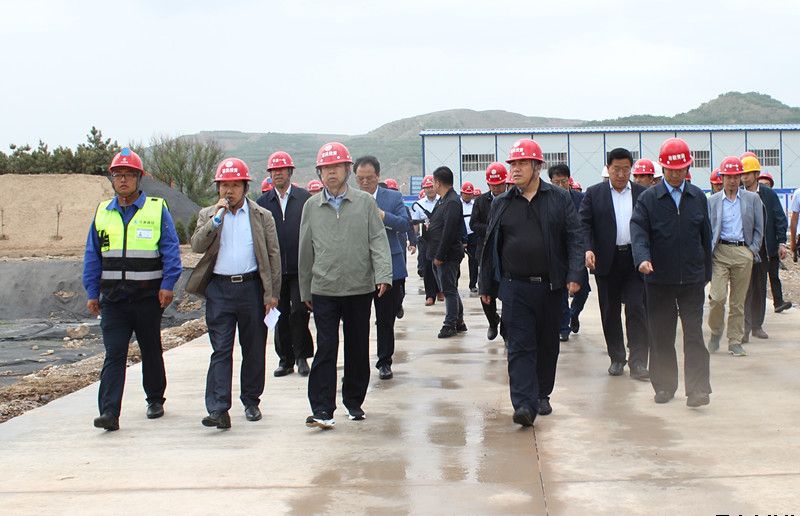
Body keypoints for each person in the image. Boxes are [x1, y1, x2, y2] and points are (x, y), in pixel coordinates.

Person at [480, 139, 583, 425]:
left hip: (550, 286)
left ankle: (542, 394)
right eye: (513, 164)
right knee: (519, 345)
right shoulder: (502, 203)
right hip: (514, 287)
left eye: (522, 163)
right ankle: (524, 403)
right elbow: (490, 244)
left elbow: (575, 237)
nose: (515, 169)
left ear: (537, 167)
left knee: (547, 344)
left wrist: (575, 274)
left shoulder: (559, 199)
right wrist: (486, 284)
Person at [83, 148, 182, 431]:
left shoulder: (156, 209)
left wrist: (167, 285)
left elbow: (171, 251)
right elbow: (92, 255)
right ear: (112, 179)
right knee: (114, 354)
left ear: (139, 178)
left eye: (129, 174)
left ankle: (155, 398)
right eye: (118, 175)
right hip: (114, 300)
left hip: (148, 298)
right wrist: (92, 292)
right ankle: (109, 413)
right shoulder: (103, 212)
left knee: (151, 349)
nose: (123, 180)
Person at [299, 142, 392, 429]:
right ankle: (322, 409)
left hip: (358, 288)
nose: (331, 173)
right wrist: (305, 289)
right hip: (324, 289)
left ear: (347, 170)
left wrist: (383, 274)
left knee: (357, 347)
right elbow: (305, 250)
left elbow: (377, 240)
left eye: (336, 167)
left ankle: (354, 402)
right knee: (326, 347)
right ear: (319, 172)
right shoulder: (311, 206)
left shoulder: (364, 203)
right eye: (325, 168)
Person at [187, 157, 281, 429]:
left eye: (235, 185)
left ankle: (251, 400)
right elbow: (196, 245)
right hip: (220, 289)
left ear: (245, 187)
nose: (229, 191)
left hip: (251, 288)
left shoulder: (262, 216)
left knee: (253, 348)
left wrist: (272, 294)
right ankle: (218, 408)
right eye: (224, 185)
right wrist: (215, 220)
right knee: (221, 349)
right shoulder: (209, 214)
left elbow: (273, 255)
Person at [630, 137, 713, 408]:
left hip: (691, 279)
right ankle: (665, 386)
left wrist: (707, 272)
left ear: (688, 167)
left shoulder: (697, 197)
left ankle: (698, 389)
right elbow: (638, 232)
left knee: (694, 334)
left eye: (681, 170)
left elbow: (705, 237)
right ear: (662, 168)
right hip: (659, 280)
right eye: (671, 170)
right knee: (662, 334)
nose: (676, 175)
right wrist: (642, 258)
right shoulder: (648, 199)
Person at [579, 148, 649, 379]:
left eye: (625, 169)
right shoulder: (594, 193)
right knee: (610, 311)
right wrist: (588, 248)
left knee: (637, 308)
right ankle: (617, 358)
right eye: (616, 169)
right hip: (606, 261)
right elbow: (584, 224)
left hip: (634, 260)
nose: (620, 174)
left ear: (631, 170)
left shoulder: (641, 193)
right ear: (608, 168)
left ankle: (638, 362)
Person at [256, 151, 314, 377]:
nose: (277, 174)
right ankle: (285, 359)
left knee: (299, 312)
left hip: (300, 268)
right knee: (279, 314)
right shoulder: (262, 203)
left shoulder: (304, 198)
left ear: (290, 172)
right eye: (274, 171)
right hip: (275, 270)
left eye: (281, 170)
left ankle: (301, 357)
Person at [354, 155, 411, 380]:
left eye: (369, 178)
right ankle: (357, 364)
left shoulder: (393, 197)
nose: (364, 182)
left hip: (389, 266)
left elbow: (405, 224)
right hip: (360, 268)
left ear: (377, 176)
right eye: (360, 178)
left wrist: (384, 216)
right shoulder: (351, 199)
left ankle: (384, 361)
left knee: (385, 319)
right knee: (358, 320)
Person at [707, 156, 764, 357]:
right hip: (720, 251)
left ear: (740, 177)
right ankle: (715, 332)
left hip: (743, 252)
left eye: (736, 176)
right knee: (717, 298)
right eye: (728, 177)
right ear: (722, 178)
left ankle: (735, 341)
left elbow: (759, 227)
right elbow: (707, 228)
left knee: (738, 302)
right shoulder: (712, 201)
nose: (732, 181)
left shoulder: (752, 199)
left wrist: (752, 250)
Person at [740, 155, 791, 338]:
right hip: (743, 248)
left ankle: (757, 326)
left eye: (747, 174)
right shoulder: (738, 194)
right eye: (742, 174)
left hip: (763, 248)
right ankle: (744, 328)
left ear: (756, 174)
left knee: (760, 288)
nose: (744, 177)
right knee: (744, 288)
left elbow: (779, 218)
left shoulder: (768, 195)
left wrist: (781, 243)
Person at [549, 163, 591, 341]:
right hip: (557, 253)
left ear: (569, 181)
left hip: (577, 251)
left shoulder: (581, 198)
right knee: (560, 292)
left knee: (583, 290)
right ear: (551, 182)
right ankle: (563, 327)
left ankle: (574, 314)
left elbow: (588, 224)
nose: (560, 185)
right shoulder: (547, 200)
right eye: (556, 182)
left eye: (563, 181)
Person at [426, 166, 467, 338]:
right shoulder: (443, 200)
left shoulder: (452, 202)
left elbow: (449, 231)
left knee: (449, 290)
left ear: (438, 182)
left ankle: (449, 324)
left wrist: (440, 256)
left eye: (433, 182)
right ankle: (459, 321)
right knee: (451, 289)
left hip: (446, 256)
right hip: (437, 253)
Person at [470, 162, 509, 341]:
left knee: (508, 295)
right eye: (493, 185)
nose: (496, 188)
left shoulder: (512, 200)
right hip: (486, 253)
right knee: (485, 292)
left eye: (499, 185)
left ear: (505, 183)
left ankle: (507, 331)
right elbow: (474, 224)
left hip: (507, 254)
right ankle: (493, 321)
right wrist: (492, 230)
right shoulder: (480, 201)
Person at [410, 176, 441, 305]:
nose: (429, 190)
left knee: (440, 264)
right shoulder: (419, 204)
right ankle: (430, 295)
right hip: (425, 239)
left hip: (440, 238)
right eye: (426, 187)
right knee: (427, 267)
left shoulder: (443, 201)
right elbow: (415, 224)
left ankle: (440, 290)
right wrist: (414, 240)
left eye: (431, 187)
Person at [460, 181, 479, 295]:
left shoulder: (475, 205)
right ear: (461, 193)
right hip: (459, 236)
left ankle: (473, 284)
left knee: (474, 261)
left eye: (470, 194)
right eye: (465, 194)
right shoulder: (457, 204)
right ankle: (454, 284)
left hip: (473, 235)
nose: (467, 196)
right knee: (456, 261)